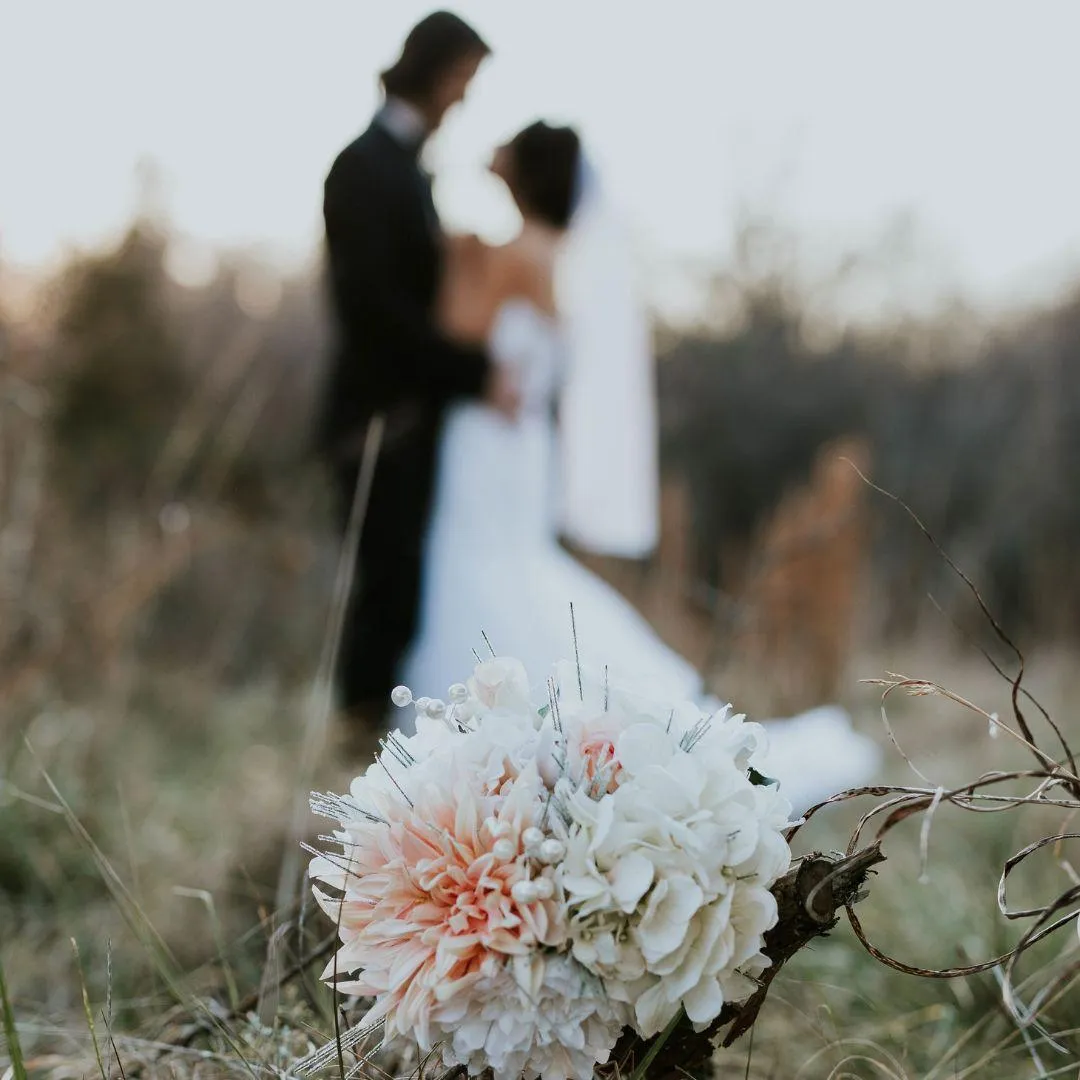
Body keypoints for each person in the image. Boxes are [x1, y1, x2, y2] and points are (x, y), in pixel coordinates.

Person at [398, 121, 881, 811]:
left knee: (479, 564)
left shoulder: (514, 254)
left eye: (506, 148)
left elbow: (455, 334)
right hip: (516, 444)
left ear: (525, 173)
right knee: (501, 565)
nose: (492, 152)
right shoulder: (556, 254)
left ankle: (478, 734)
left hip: (486, 440)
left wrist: (454, 259)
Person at [317, 12, 519, 733]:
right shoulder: (362, 167)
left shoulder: (405, 170)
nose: (463, 99)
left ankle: (372, 736)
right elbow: (372, 310)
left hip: (414, 416)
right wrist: (472, 370)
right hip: (377, 419)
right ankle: (355, 738)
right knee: (383, 584)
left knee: (402, 585)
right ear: (432, 72)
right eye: (462, 79)